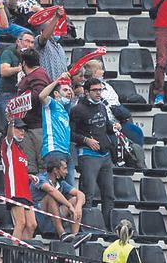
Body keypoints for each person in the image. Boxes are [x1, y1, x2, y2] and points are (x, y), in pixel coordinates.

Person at [71, 77, 118, 229]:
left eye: (100, 90)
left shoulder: (102, 107)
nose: (99, 93)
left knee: (109, 195)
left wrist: (114, 126)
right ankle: (87, 227)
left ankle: (108, 228)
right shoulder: (78, 109)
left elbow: (105, 127)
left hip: (105, 156)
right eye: (95, 90)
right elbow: (70, 133)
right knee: (88, 194)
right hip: (88, 155)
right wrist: (86, 140)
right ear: (86, 92)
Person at [31, 158, 85, 240]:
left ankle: (75, 236)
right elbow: (51, 190)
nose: (67, 172)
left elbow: (80, 194)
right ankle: (62, 234)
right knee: (50, 197)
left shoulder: (61, 182)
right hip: (38, 218)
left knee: (76, 200)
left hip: (55, 217)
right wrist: (69, 205)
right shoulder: (40, 178)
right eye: (64, 169)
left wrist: (78, 207)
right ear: (55, 170)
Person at [2, 118, 36, 240]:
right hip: (15, 191)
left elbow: (18, 170)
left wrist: (29, 176)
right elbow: (9, 136)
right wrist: (11, 123)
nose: (22, 132)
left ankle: (23, 254)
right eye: (19, 129)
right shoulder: (8, 146)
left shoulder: (21, 151)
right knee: (20, 223)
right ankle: (13, 255)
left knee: (32, 225)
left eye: (23, 129)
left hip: (25, 192)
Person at [16, 49, 49, 175]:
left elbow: (38, 95)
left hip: (37, 126)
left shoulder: (38, 76)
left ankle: (41, 193)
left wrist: (18, 103)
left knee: (42, 165)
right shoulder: (36, 75)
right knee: (30, 166)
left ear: (24, 63)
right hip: (30, 126)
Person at [38, 72, 74, 181]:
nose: (69, 92)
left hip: (66, 153)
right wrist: (58, 80)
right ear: (56, 94)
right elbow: (41, 96)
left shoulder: (65, 111)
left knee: (68, 190)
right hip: (54, 150)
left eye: (69, 90)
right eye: (65, 90)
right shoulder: (52, 105)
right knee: (56, 188)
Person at [0, 31, 36, 123]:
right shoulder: (8, 52)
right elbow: (3, 71)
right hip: (9, 93)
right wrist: (19, 69)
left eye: (32, 42)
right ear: (18, 41)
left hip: (25, 95)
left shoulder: (32, 55)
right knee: (10, 124)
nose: (29, 45)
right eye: (27, 41)